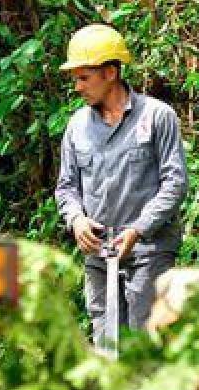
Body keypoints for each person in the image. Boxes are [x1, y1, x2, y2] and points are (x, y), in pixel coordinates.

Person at [55, 24, 188, 345]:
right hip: (99, 255)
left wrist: (139, 229)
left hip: (148, 251)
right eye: (75, 78)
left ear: (111, 72)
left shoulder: (157, 117)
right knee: (106, 347)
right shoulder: (76, 127)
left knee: (144, 345)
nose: (77, 86)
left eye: (84, 77)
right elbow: (66, 187)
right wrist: (76, 220)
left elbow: (175, 182)